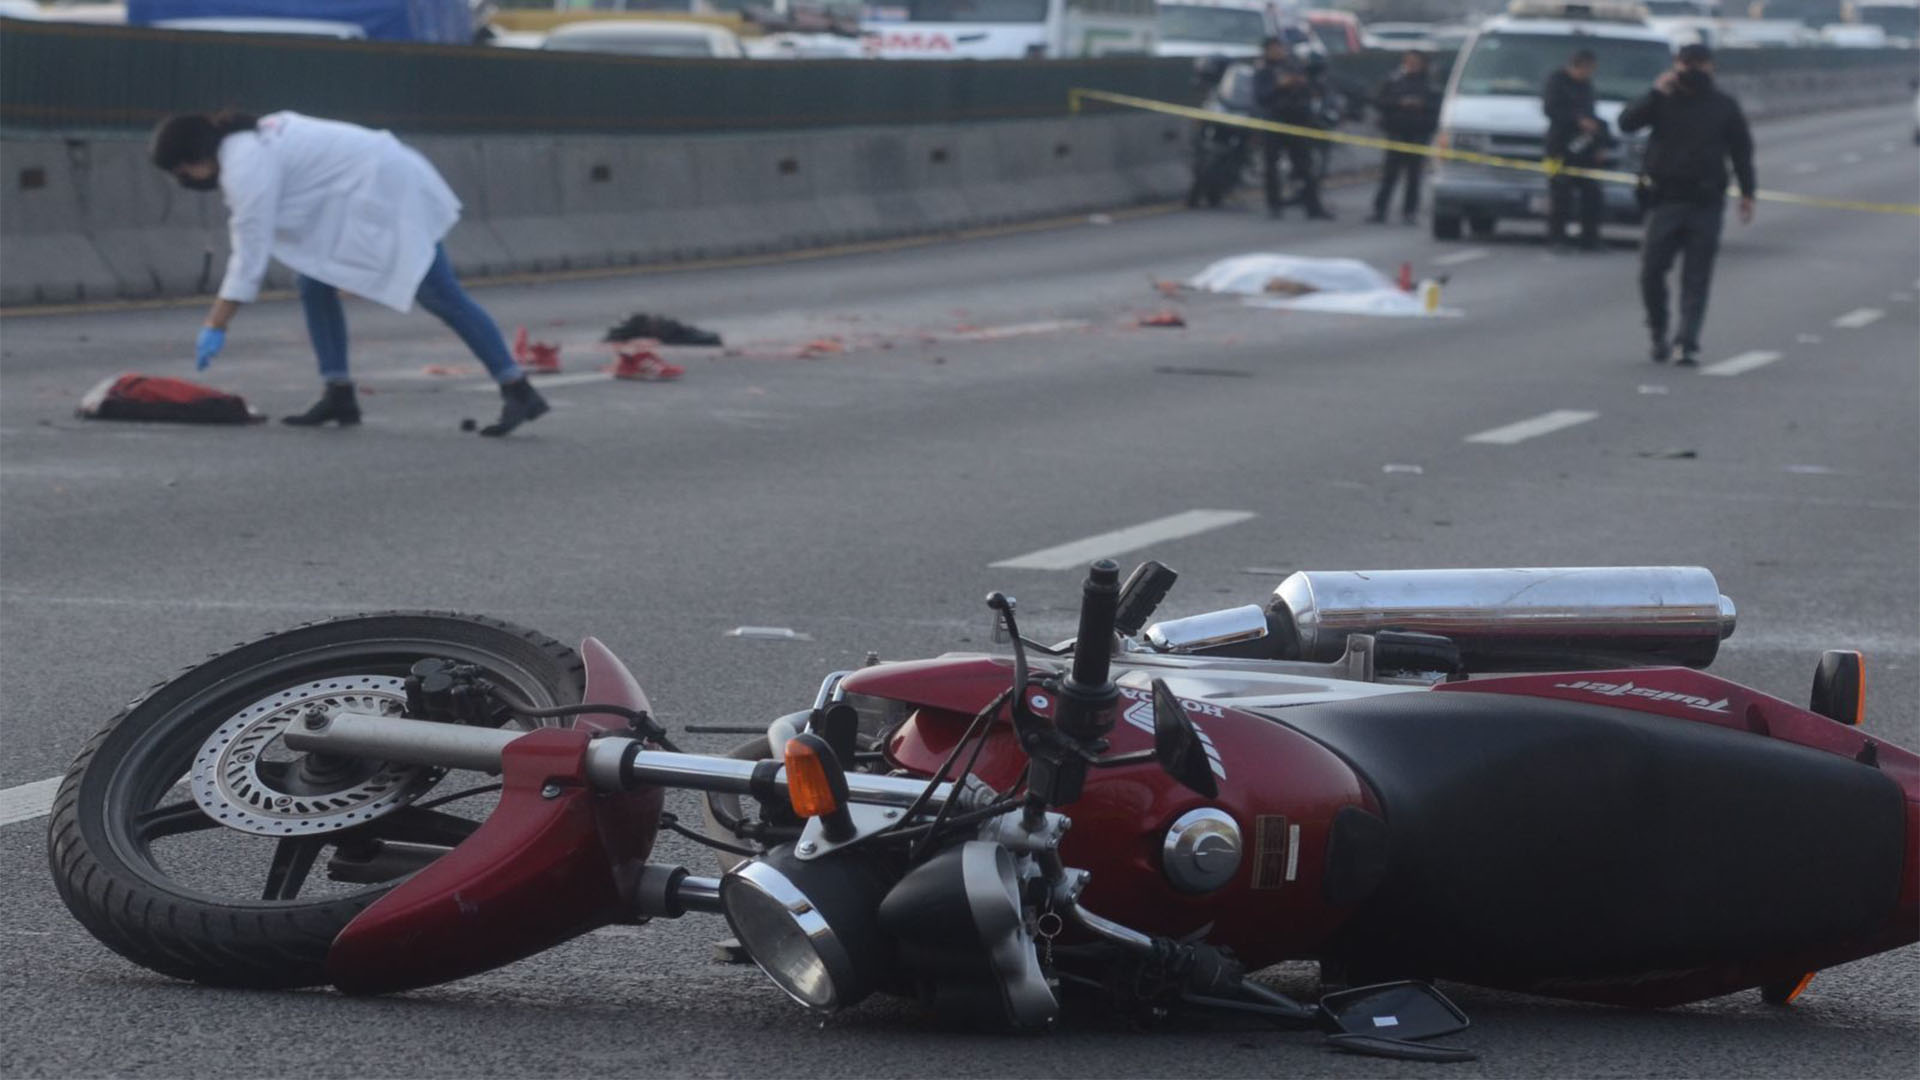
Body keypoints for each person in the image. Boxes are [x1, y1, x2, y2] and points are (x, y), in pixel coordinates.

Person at [148, 110, 549, 435]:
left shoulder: (244, 166)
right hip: (368, 188)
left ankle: (518, 388)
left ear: (193, 160)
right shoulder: (245, 146)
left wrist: (217, 324)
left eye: (180, 172)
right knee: (313, 282)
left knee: (439, 294)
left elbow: (249, 255)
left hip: (388, 192)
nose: (184, 181)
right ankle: (338, 391)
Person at [1618, 43, 1756, 366]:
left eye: (1700, 65)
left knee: (1697, 276)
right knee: (1651, 271)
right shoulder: (1662, 100)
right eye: (1687, 64)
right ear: (1676, 66)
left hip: (1705, 200)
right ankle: (1658, 330)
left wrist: (1747, 193)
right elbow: (1626, 123)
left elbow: (1741, 151)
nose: (1693, 71)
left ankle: (1687, 340)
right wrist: (1655, 93)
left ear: (1711, 68)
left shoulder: (1723, 105)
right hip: (1664, 198)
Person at [1253, 37, 1333, 221]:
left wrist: (1299, 83)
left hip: (1297, 121)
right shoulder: (1263, 71)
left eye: (1279, 48)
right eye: (1273, 49)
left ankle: (1313, 206)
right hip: (1274, 121)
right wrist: (1279, 86)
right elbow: (1261, 96)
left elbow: (1311, 88)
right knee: (1271, 166)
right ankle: (1274, 205)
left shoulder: (1293, 66)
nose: (1277, 52)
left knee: (1304, 166)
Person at [1541, 49, 1607, 251]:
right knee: (1560, 195)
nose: (1589, 74)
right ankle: (1557, 239)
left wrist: (1599, 142)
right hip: (1557, 149)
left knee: (1592, 195)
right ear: (1579, 65)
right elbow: (1551, 110)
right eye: (1588, 69)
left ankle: (1590, 239)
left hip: (1584, 149)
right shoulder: (1556, 82)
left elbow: (1592, 114)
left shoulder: (1586, 86)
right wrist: (1578, 121)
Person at [1368, 50, 1440, 225]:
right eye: (1409, 61)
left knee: (1414, 177)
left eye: (1416, 62)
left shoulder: (1430, 85)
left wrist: (1421, 106)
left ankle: (1409, 212)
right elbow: (1379, 101)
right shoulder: (1394, 81)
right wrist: (1400, 103)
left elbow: (1437, 108)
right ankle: (1380, 210)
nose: (1412, 65)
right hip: (1396, 133)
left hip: (1418, 135)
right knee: (1389, 175)